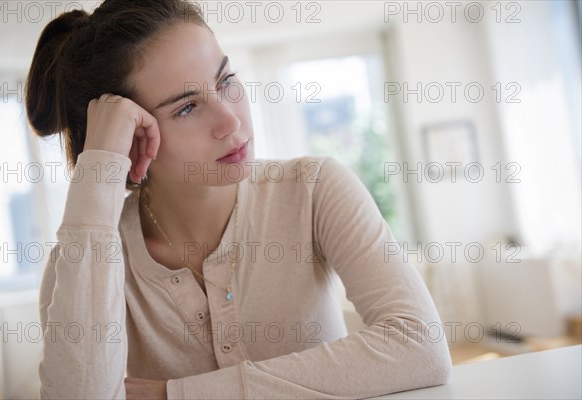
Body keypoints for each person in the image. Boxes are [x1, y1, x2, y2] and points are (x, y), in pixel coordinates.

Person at [25, 0, 452, 398]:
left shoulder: (313, 189)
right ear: (133, 136)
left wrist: (179, 393)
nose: (231, 120)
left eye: (226, 80)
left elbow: (420, 347)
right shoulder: (83, 259)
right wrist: (99, 168)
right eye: (186, 108)